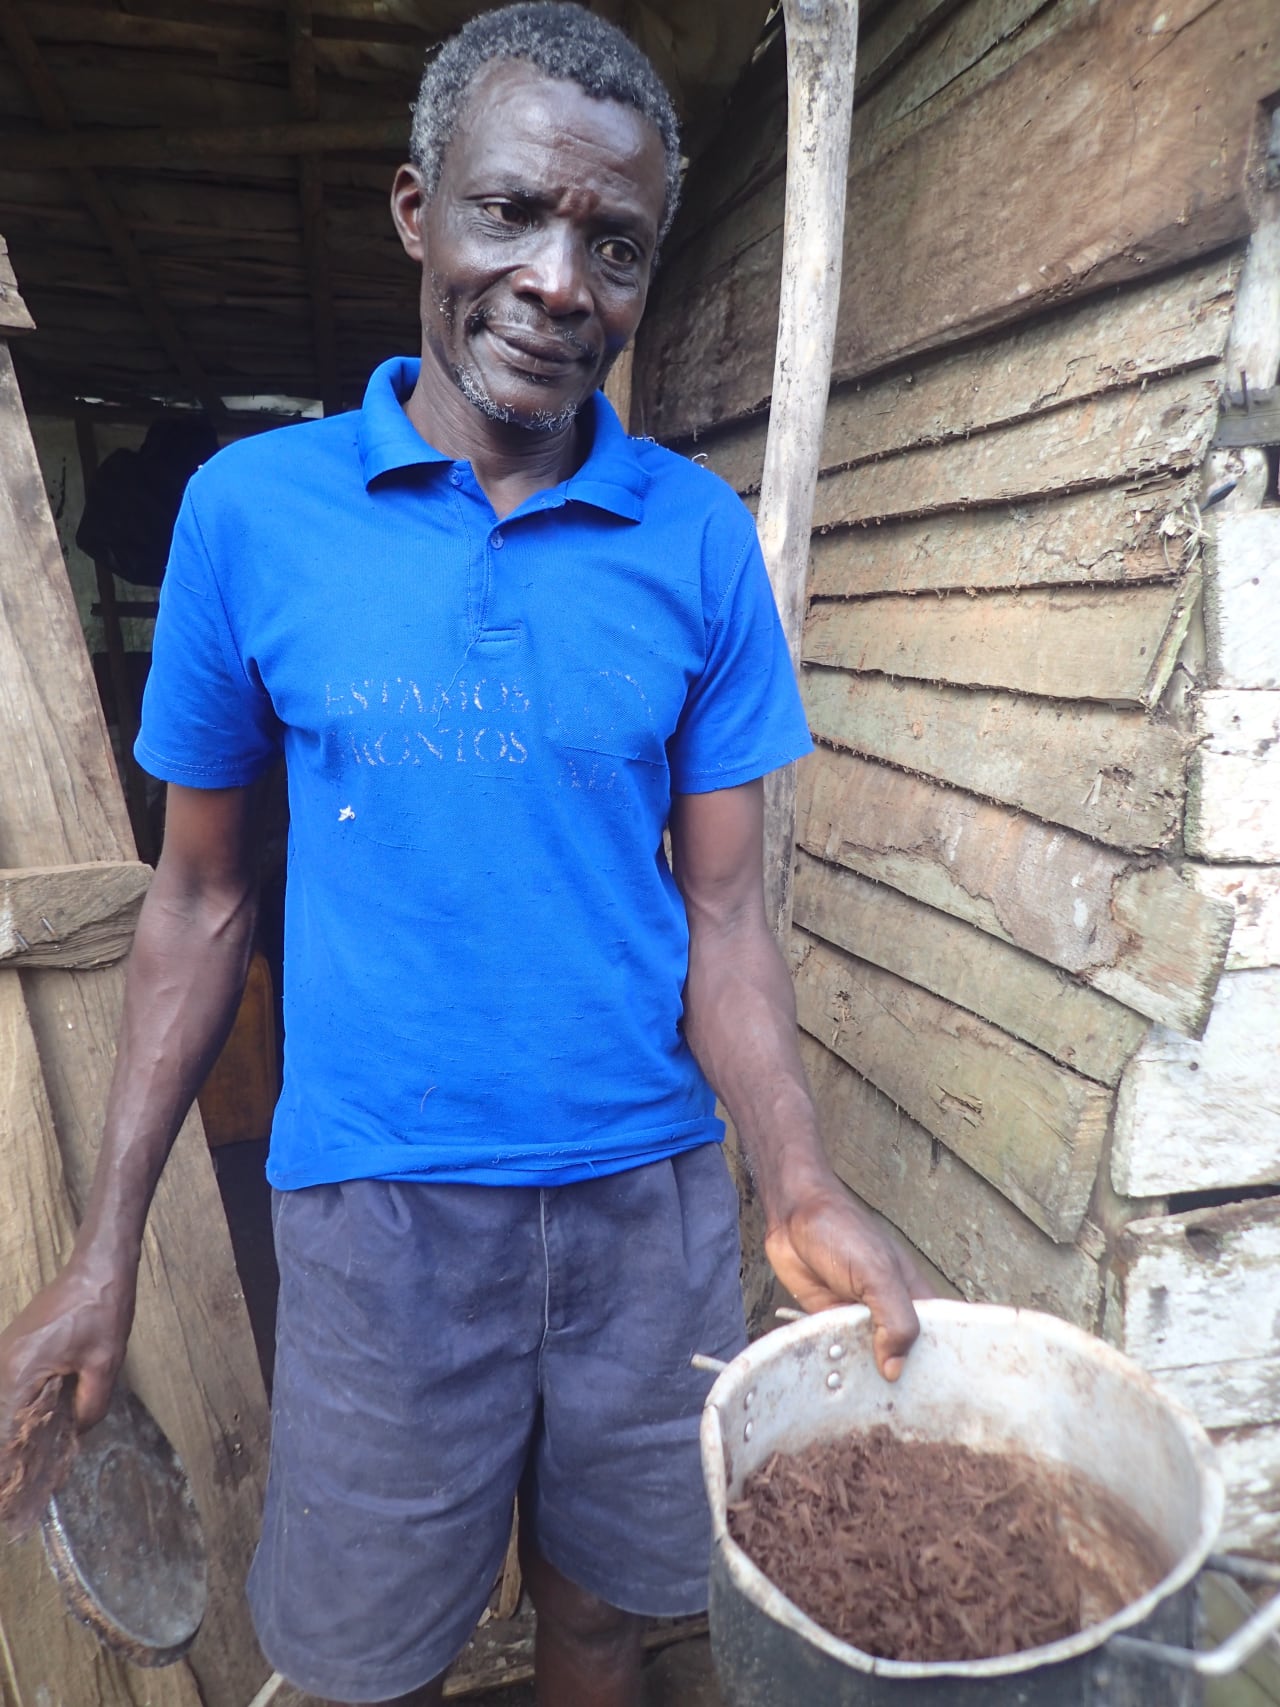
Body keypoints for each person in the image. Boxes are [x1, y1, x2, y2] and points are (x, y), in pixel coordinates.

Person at [0, 6, 925, 1704]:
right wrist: (105, 1248)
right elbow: (199, 901)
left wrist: (792, 1181)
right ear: (419, 211)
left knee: (603, 1618)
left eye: (616, 244)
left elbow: (723, 908)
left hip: (648, 1208)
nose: (563, 281)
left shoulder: (697, 543)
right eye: (516, 214)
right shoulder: (250, 516)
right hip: (375, 1219)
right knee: (366, 1661)